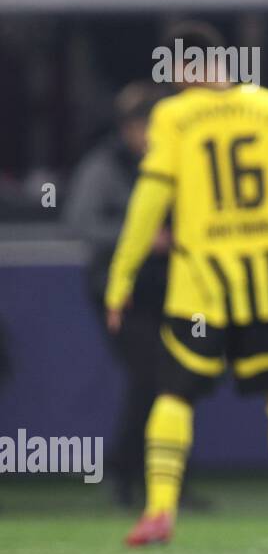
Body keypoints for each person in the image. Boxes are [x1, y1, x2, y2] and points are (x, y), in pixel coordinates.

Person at [104, 22, 268, 546]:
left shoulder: (174, 117)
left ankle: (159, 511)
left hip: (198, 288)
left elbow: (150, 201)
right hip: (266, 282)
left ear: (181, 69)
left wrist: (121, 276)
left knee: (173, 395)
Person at [64, 82, 170, 507]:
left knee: (175, 384)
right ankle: (127, 478)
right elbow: (80, 223)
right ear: (127, 128)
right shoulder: (105, 165)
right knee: (150, 377)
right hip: (120, 291)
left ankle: (165, 482)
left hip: (169, 288)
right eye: (142, 126)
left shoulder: (171, 161)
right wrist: (142, 239)